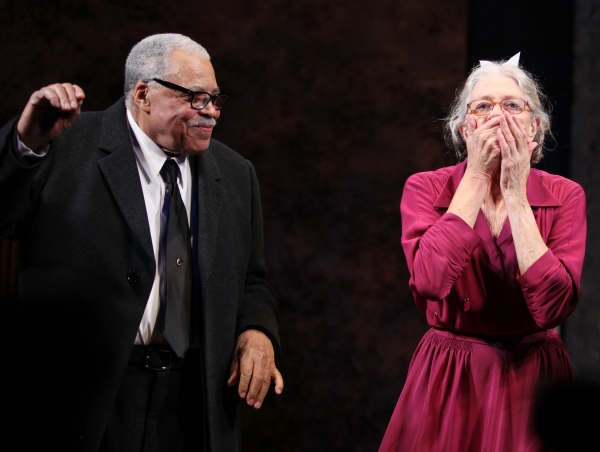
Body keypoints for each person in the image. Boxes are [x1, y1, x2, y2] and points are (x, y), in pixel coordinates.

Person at [0, 33, 283, 451]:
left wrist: (257, 330)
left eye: (215, 99)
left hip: (193, 404)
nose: (212, 114)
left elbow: (252, 281)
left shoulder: (236, 173)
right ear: (143, 93)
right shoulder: (60, 144)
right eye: (196, 98)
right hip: (83, 400)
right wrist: (24, 146)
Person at [379, 53, 586, 452]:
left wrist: (515, 193)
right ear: (464, 128)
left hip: (534, 375)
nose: (498, 116)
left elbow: (554, 306)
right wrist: (476, 177)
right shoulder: (425, 188)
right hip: (453, 374)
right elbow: (430, 280)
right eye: (483, 107)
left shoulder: (565, 196)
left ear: (535, 128)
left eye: (512, 106)